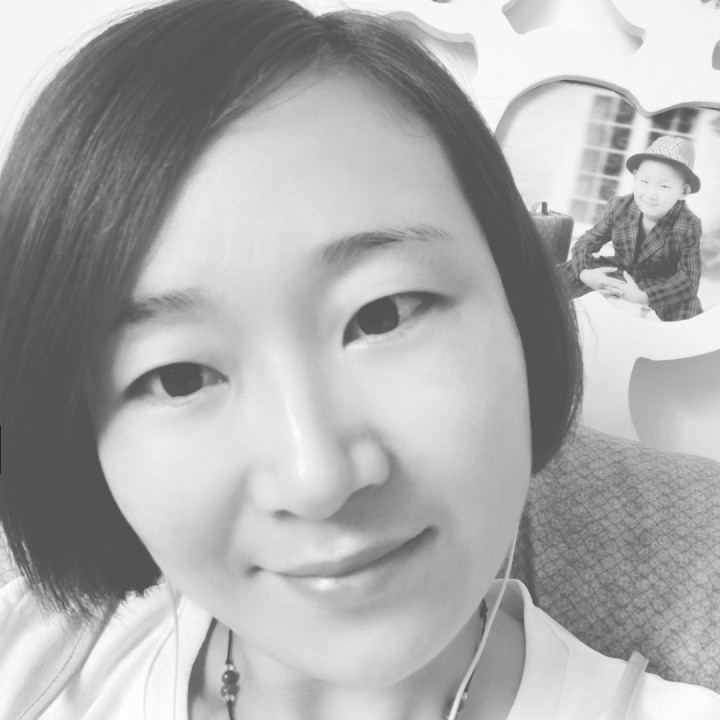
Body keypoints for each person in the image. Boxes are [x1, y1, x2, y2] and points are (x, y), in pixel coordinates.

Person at [0, 1, 718, 719]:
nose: (316, 479)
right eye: (179, 377)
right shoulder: (29, 656)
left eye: (381, 315)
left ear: (522, 316)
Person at [558, 135, 703, 321]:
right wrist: (586, 274)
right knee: (560, 275)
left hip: (659, 282)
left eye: (664, 186)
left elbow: (689, 280)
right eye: (644, 182)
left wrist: (643, 297)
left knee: (688, 310)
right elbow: (586, 242)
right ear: (635, 177)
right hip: (618, 269)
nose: (651, 194)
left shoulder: (688, 224)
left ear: (683, 192)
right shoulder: (619, 206)